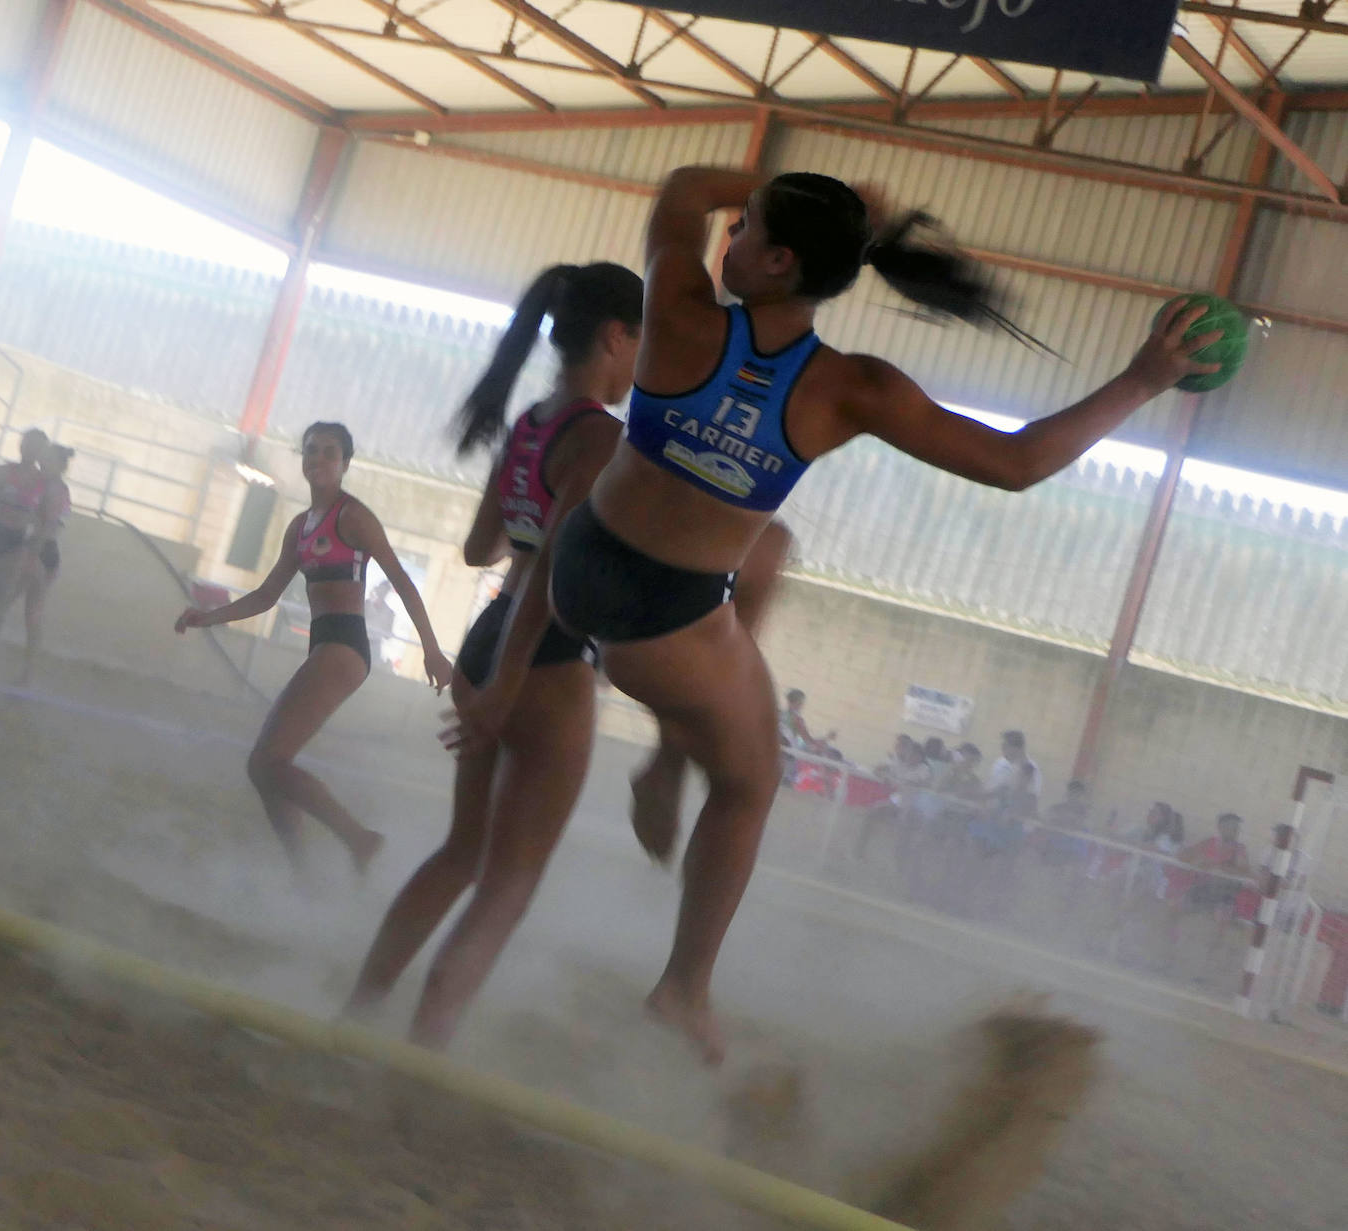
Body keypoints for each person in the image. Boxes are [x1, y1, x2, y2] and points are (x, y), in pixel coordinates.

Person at [465, 164, 1223, 1061]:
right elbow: (1019, 462)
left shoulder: (678, 305)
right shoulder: (853, 387)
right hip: (661, 622)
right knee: (750, 782)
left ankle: (672, 759)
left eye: (744, 229)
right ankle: (682, 986)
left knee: (766, 558)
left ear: (777, 260)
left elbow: (678, 194)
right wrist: (1143, 377)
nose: (730, 237)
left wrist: (847, 213)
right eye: (741, 225)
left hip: (578, 566)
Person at [346, 263, 643, 1046]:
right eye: (642, 343)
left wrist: (494, 679)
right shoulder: (603, 436)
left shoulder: (531, 424)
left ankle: (360, 1008)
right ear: (616, 336)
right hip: (542, 651)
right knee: (510, 881)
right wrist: (507, 689)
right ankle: (425, 1043)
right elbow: (551, 570)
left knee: (462, 854)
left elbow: (484, 547)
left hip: (490, 635)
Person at [175, 421, 453, 876]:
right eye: (311, 450)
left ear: (344, 464)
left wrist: (432, 650)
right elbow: (266, 596)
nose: (318, 459)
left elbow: (401, 580)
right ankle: (305, 875)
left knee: (267, 761)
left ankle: (360, 840)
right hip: (326, 643)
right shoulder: (300, 527)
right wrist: (206, 617)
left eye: (328, 452)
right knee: (266, 769)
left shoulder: (353, 516)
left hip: (345, 645)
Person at [0, 427, 49, 667]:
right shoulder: (2, 472)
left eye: (36, 446)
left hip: (16, 544)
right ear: (21, 445)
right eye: (28, 444)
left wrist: (32, 553)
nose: (30, 450)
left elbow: (45, 522)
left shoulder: (44, 484)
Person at [14, 444, 74, 685]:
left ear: (60, 465)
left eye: (47, 459)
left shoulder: (56, 488)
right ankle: (27, 672)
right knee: (28, 614)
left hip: (39, 552)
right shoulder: (45, 483)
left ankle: (28, 672)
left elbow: (49, 525)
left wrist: (32, 555)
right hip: (38, 551)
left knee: (25, 612)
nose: (42, 462)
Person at [365, 578, 396, 670]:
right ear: (377, 589)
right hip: (361, 640)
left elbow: (388, 635)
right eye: (381, 589)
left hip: (375, 645)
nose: (382, 593)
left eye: (385, 591)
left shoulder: (389, 613)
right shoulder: (366, 604)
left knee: (373, 669)